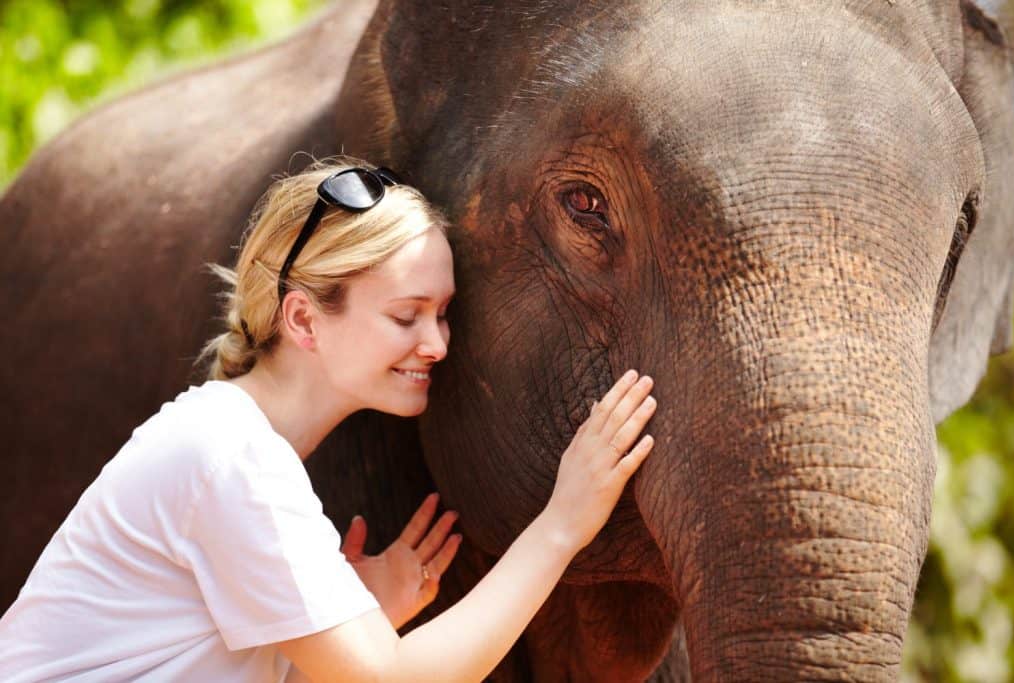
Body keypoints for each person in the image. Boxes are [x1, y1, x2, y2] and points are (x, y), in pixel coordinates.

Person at [0, 157, 657, 682]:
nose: (437, 343)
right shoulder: (234, 458)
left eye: (443, 314)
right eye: (405, 315)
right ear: (303, 319)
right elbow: (395, 679)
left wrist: (347, 629)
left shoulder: (230, 439)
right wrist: (563, 523)